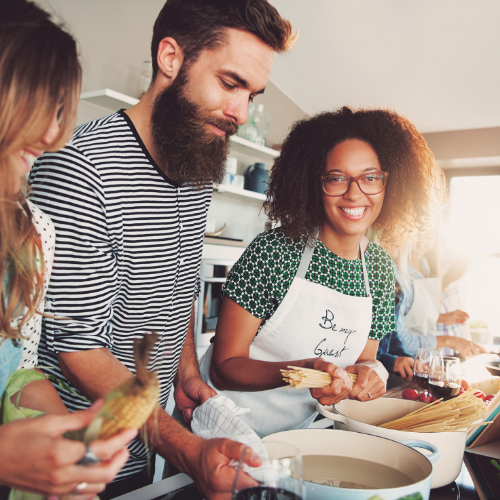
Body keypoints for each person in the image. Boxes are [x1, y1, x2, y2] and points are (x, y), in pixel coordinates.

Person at [29, 0, 295, 497]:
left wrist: (187, 370)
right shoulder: (83, 169)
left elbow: (178, 284)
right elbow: (78, 349)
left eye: (252, 94)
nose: (241, 111)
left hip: (148, 437)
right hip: (74, 453)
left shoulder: (194, 160)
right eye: (230, 83)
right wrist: (185, 447)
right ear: (171, 57)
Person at [198, 106, 446, 437]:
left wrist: (372, 373)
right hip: (222, 426)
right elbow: (224, 368)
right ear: (316, 185)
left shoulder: (380, 270)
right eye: (337, 178)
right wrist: (301, 370)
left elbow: (364, 360)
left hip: (301, 437)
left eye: (370, 177)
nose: (355, 192)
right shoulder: (274, 252)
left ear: (391, 185)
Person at [0, 2, 136, 498]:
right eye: (39, 104)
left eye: (61, 110)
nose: (54, 135)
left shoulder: (33, 232)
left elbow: (18, 371)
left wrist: (70, 443)